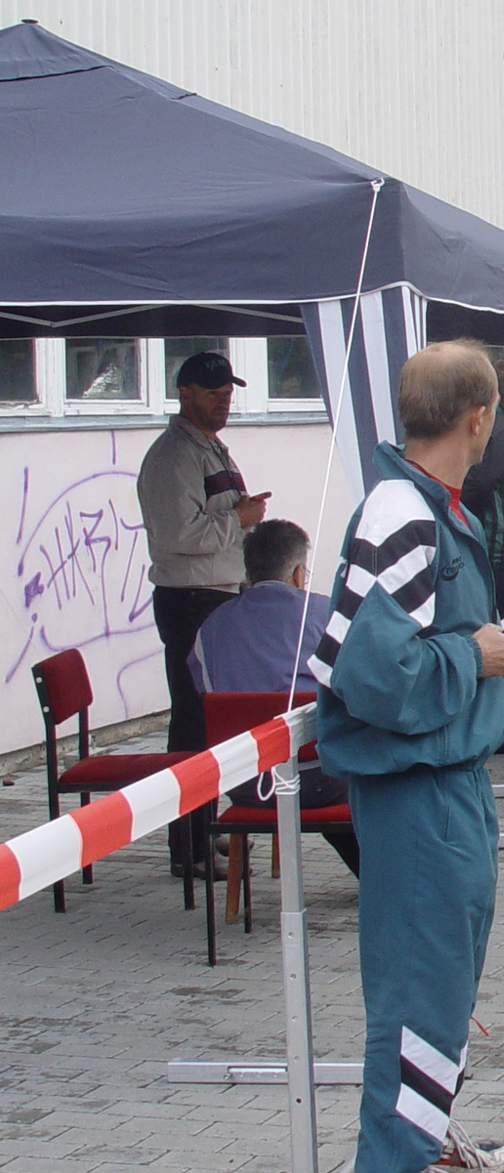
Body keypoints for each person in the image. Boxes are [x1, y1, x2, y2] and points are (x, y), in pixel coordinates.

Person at [310, 341, 504, 1173]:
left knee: (440, 997)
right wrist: (473, 655)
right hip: (417, 795)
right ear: (478, 418)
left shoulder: (430, 506)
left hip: (448, 785)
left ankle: (424, 1140)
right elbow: (372, 676)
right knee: (417, 1003)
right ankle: (393, 1158)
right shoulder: (401, 513)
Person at [138, 349, 268, 876]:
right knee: (194, 726)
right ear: (184, 394)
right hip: (192, 600)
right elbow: (178, 535)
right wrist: (239, 520)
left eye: (228, 393)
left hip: (219, 595)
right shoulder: (173, 457)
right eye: (213, 394)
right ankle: (187, 849)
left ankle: (203, 832)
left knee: (214, 723)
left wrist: (243, 521)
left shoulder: (210, 448)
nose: (223, 402)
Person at [189, 518, 359, 876]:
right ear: (298, 573)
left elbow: (204, 692)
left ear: (248, 571)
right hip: (318, 780)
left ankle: (377, 876)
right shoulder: (326, 614)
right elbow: (360, 684)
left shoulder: (210, 627)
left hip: (244, 782)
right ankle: (385, 879)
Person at [460, 359, 504, 620]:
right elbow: (482, 482)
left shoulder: (496, 428)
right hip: (499, 550)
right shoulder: (503, 431)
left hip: (495, 546)